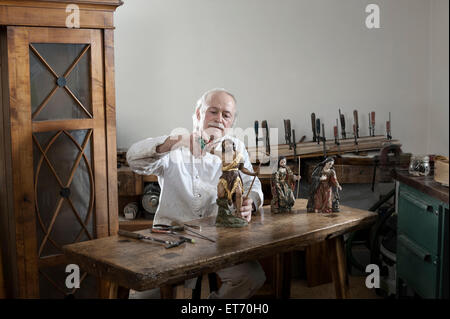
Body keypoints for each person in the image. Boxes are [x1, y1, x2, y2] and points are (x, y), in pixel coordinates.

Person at [126, 88, 266, 298]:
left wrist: (252, 202)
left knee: (251, 276)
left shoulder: (236, 147)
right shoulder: (175, 145)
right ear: (199, 114)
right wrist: (178, 141)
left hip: (217, 240)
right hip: (170, 237)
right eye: (213, 111)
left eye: (226, 115)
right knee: (143, 294)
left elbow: (252, 185)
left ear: (231, 123)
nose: (219, 119)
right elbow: (133, 159)